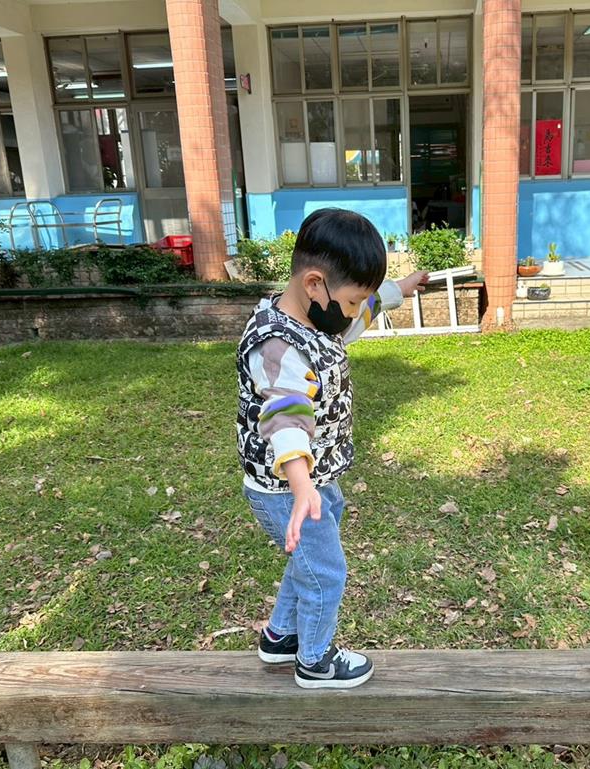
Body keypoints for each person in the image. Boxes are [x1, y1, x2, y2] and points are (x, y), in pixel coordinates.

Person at [237, 208, 428, 689]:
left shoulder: (319, 319)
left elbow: (363, 313)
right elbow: (285, 415)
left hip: (316, 480)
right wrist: (302, 486)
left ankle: (281, 636)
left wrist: (400, 289)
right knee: (326, 571)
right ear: (314, 284)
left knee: (308, 561)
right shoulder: (278, 346)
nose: (354, 310)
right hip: (287, 488)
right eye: (350, 299)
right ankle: (315, 661)